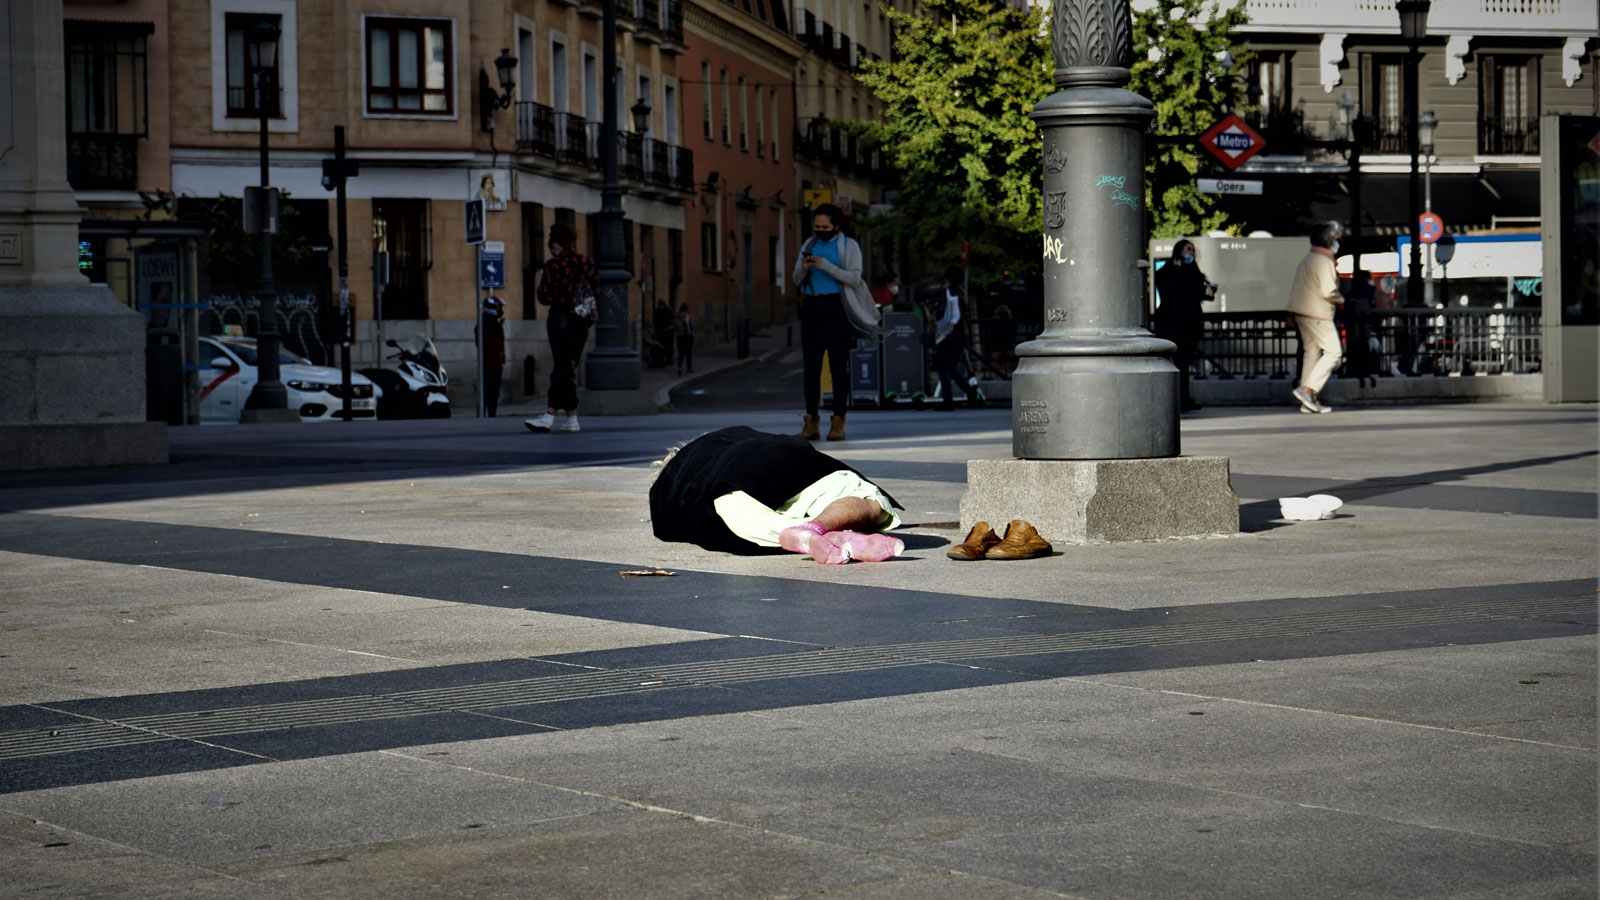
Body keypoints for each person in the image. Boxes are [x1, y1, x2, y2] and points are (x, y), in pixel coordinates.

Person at [649, 426, 903, 563]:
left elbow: (671, 522)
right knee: (866, 496)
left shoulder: (676, 476)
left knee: (748, 520)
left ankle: (813, 536)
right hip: (789, 457)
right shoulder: (734, 435)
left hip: (730, 473)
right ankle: (819, 526)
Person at [792, 203, 865, 442]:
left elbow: (854, 278)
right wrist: (804, 268)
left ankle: (838, 422)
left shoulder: (849, 246)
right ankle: (811, 421)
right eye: (817, 227)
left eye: (825, 227)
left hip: (837, 307)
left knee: (837, 366)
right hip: (812, 306)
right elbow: (795, 278)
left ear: (836, 225)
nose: (820, 231)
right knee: (811, 368)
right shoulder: (809, 244)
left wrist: (826, 266)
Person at [525, 222, 596, 434]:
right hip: (581, 321)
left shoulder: (554, 265)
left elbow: (544, 295)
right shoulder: (586, 263)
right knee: (567, 367)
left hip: (560, 319)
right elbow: (596, 287)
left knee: (562, 366)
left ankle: (550, 416)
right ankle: (570, 418)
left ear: (555, 245)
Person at [1286, 222, 1345, 414]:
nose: (1337, 242)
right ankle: (1307, 390)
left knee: (1311, 353)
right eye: (1336, 239)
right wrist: (1341, 299)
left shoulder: (1309, 258)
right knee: (1334, 352)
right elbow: (1329, 291)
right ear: (1329, 241)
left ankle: (1308, 400)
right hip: (1318, 312)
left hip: (1302, 311)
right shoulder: (1324, 261)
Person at [1152, 239, 1214, 412]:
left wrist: (1210, 290)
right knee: (1175, 362)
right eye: (1188, 249)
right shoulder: (1169, 271)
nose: (1191, 253)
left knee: (1184, 362)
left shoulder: (1192, 271)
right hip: (1172, 323)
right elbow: (1170, 290)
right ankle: (1175, 399)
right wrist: (1177, 271)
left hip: (1189, 323)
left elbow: (1198, 291)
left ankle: (1184, 398)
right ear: (1179, 251)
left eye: (1192, 250)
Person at [931, 267, 982, 410]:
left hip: (946, 335)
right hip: (959, 335)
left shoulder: (946, 292)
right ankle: (971, 393)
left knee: (943, 368)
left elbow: (942, 313)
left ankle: (948, 401)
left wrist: (934, 316)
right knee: (952, 368)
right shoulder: (961, 292)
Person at [476, 295, 506, 417]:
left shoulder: (495, 324)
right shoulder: (485, 324)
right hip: (488, 363)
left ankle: (490, 413)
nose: (500, 310)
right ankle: (485, 414)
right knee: (488, 390)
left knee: (493, 391)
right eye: (498, 307)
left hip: (495, 363)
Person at [675, 302, 695, 375]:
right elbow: (691, 326)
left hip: (680, 337)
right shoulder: (687, 316)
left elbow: (677, 328)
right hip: (687, 337)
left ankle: (679, 368)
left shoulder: (677, 317)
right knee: (688, 353)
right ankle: (689, 368)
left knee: (681, 353)